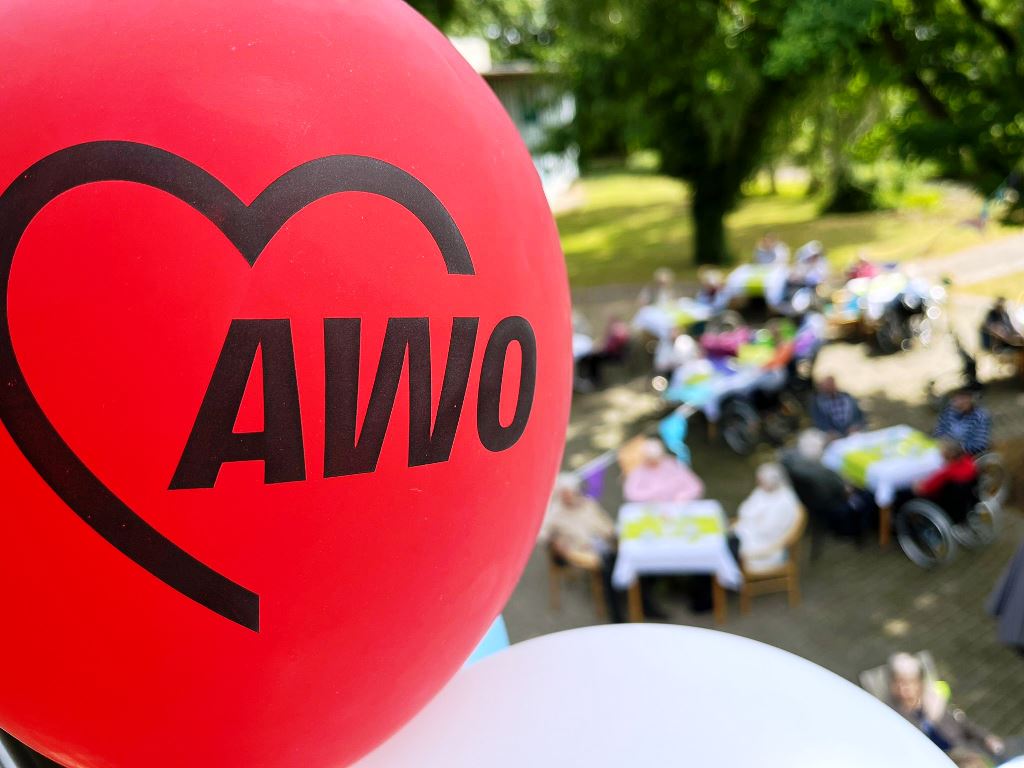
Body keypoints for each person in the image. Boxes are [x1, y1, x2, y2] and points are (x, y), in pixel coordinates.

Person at [887, 652, 1005, 760]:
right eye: (897, 683)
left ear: (919, 683)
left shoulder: (934, 702)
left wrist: (986, 738)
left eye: (908, 683)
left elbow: (964, 724)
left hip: (964, 753)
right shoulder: (894, 715)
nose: (902, 688)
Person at [540, 474, 624, 622]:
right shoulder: (556, 513)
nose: (568, 497)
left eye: (570, 493)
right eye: (564, 494)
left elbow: (607, 524)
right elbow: (542, 535)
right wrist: (555, 542)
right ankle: (616, 611)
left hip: (603, 544)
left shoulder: (588, 504)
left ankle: (627, 599)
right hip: (580, 550)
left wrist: (610, 536)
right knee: (608, 567)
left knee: (619, 561)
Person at [781, 430, 868, 554]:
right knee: (865, 496)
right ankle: (861, 528)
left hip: (809, 502)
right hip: (829, 505)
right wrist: (849, 486)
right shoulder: (823, 472)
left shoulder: (793, 464)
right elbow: (843, 490)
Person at [729, 463, 801, 571]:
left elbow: (768, 529)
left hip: (765, 547)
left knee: (729, 550)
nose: (758, 484)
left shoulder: (785, 501)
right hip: (747, 534)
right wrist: (755, 519)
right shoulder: (762, 491)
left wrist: (753, 520)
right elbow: (744, 511)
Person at [623, 439, 704, 504]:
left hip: (677, 511)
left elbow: (695, 486)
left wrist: (684, 496)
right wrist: (651, 496)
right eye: (649, 459)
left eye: (654, 458)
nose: (652, 462)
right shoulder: (638, 472)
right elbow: (630, 493)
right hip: (649, 512)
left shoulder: (674, 466)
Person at [576, 316, 631, 389]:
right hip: (615, 354)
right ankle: (589, 379)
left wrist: (601, 349)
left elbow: (611, 347)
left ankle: (594, 381)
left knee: (593, 359)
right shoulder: (619, 330)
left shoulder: (618, 332)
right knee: (591, 357)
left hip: (615, 355)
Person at [935, 389, 991, 456]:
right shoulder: (949, 412)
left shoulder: (981, 416)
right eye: (957, 399)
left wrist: (956, 448)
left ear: (972, 399)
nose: (961, 402)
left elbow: (979, 445)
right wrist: (942, 443)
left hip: (967, 455)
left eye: (964, 398)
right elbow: (939, 431)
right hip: (944, 450)